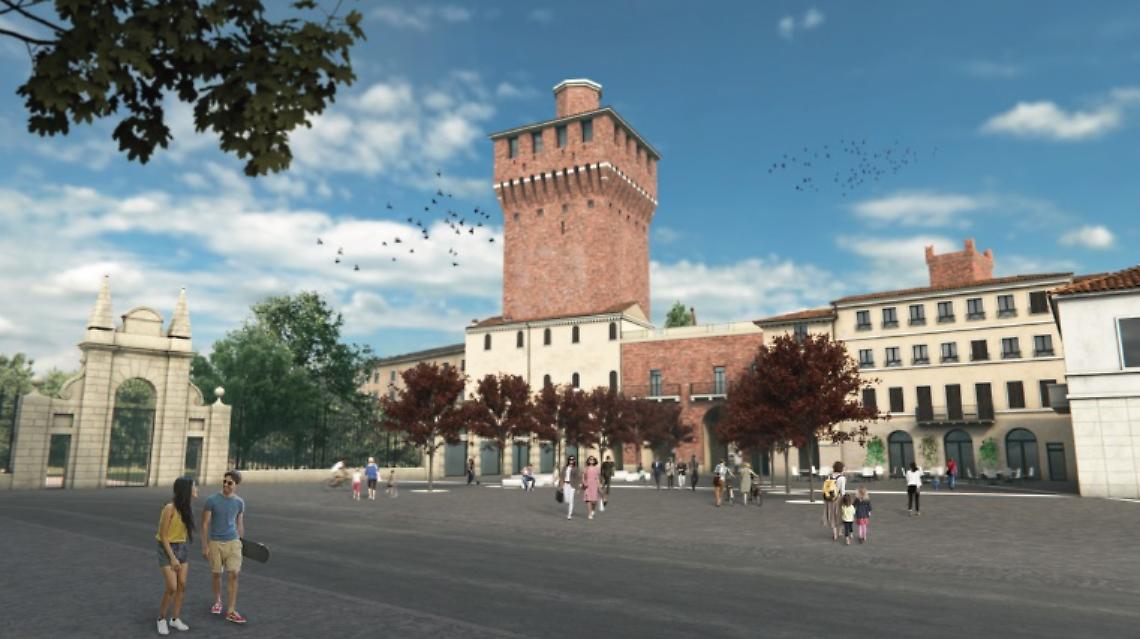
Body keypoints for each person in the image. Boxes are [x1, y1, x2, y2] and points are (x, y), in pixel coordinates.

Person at [201, 470, 246, 624]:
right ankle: (218, 601)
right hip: (215, 542)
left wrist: (242, 542)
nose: (226, 484)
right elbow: (205, 523)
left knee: (234, 574)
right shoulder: (211, 500)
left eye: (229, 483)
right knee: (216, 574)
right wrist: (205, 545)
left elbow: (239, 523)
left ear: (236, 485)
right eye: (224, 481)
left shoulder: (240, 502)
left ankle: (231, 610)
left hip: (233, 542)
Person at [155, 477, 196, 635]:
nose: (196, 489)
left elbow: (183, 534)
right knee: (171, 587)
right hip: (166, 548)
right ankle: (161, 619)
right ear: (186, 490)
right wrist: (172, 558)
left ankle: (175, 619)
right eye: (194, 486)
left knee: (182, 584)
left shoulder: (187, 508)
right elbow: (163, 536)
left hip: (181, 547)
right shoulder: (169, 508)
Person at [822, 461, 847, 541]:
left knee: (832, 515)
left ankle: (835, 534)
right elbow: (842, 491)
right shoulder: (842, 478)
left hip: (830, 499)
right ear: (841, 468)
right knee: (840, 514)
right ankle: (840, 532)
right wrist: (845, 500)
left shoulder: (829, 476)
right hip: (838, 499)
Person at [582, 455, 603, 520]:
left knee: (594, 501)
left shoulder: (597, 469)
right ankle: (590, 513)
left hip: (594, 485)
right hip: (587, 485)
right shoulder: (585, 468)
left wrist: (599, 485)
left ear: (594, 461)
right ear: (588, 460)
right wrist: (584, 483)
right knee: (588, 500)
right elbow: (583, 477)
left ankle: (593, 510)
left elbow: (597, 478)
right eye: (590, 459)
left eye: (593, 459)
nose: (591, 460)